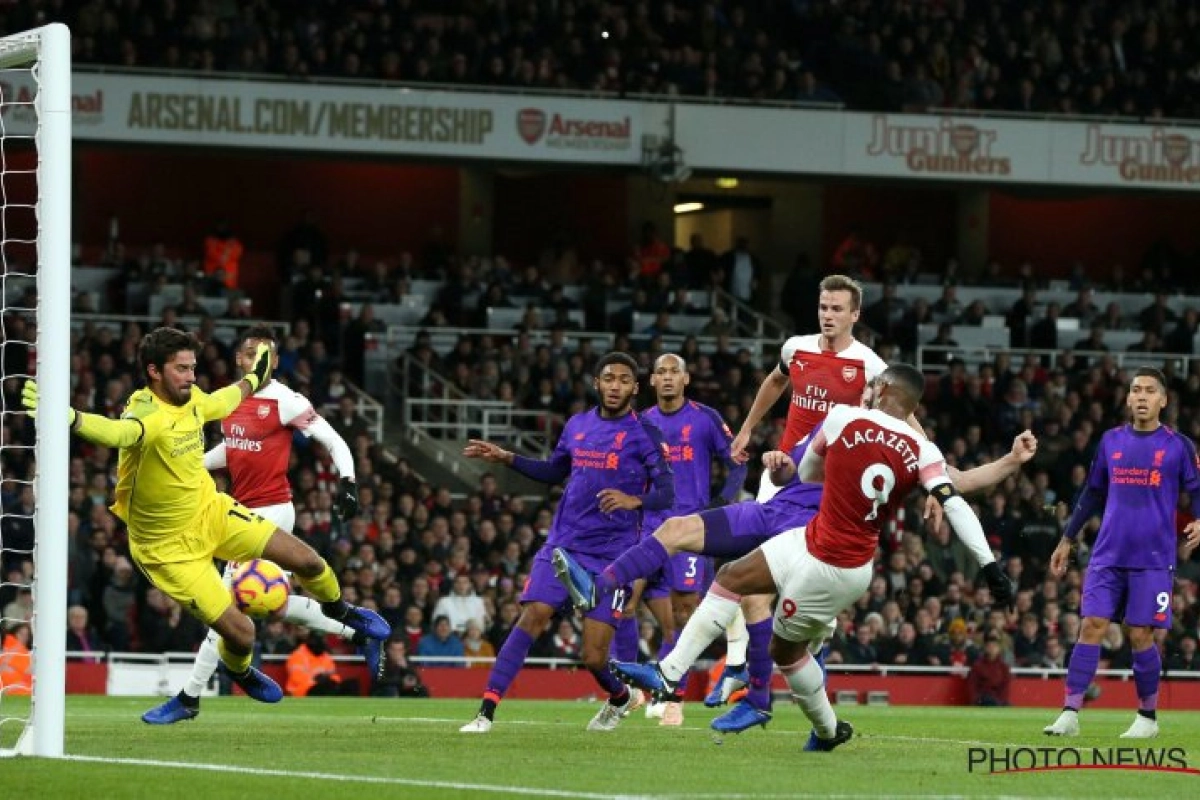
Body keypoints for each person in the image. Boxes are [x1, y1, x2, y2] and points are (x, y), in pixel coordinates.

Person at [607, 364, 1014, 748]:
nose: (868, 389)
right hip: (826, 546)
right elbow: (954, 502)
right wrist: (990, 566)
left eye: (874, 386)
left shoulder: (842, 418)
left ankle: (827, 728)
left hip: (832, 565)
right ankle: (667, 673)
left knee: (787, 652)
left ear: (884, 389)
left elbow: (806, 473)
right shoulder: (923, 451)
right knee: (732, 576)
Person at [22, 328, 389, 713]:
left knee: (311, 562)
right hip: (168, 549)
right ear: (154, 372)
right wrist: (71, 417)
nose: (191, 376)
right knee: (241, 632)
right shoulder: (147, 414)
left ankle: (342, 614)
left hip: (213, 512)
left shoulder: (203, 399)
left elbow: (222, 400)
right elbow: (118, 433)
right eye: (181, 369)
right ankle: (239, 675)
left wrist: (252, 379)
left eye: (193, 368)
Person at [141, 325, 380, 725]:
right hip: (235, 511)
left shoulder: (285, 400)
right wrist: (189, 464)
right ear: (240, 359)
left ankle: (189, 697)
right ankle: (360, 632)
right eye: (253, 354)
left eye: (267, 355)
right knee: (273, 602)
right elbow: (231, 451)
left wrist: (348, 481)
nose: (259, 361)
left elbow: (333, 439)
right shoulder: (230, 401)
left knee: (225, 606)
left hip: (270, 512)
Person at [458, 352, 674, 733]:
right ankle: (485, 712)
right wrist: (508, 458)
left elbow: (667, 492)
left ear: (635, 388)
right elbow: (555, 471)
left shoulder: (646, 434)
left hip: (614, 555)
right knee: (533, 615)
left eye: (624, 380)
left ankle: (620, 697)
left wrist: (633, 500)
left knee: (592, 657)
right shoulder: (577, 425)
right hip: (564, 544)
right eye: (609, 378)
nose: (615, 386)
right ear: (597, 383)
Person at [1043, 368, 1200, 739]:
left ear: (1163, 400)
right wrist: (1067, 538)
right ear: (1128, 399)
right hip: (1107, 553)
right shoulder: (1110, 441)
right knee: (1091, 625)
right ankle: (1070, 711)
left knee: (1140, 634)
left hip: (1154, 557)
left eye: (1149, 391)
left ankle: (1147, 717)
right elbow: (1093, 493)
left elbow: (1197, 489)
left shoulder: (1179, 446)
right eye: (1135, 390)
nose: (1142, 396)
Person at [611, 353, 746, 726]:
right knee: (622, 603)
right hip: (646, 529)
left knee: (683, 617)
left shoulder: (706, 419)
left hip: (689, 531)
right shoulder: (639, 424)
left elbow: (738, 464)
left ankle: (673, 697)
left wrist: (718, 505)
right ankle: (630, 692)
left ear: (686, 379)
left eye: (675, 372)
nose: (668, 378)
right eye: (661, 373)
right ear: (651, 381)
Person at [968, 633, 1012, 706]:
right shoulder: (978, 666)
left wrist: (1001, 701)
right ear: (985, 648)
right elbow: (972, 686)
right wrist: (975, 700)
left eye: (994, 646)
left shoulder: (1004, 667)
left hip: (998, 700)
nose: (992, 649)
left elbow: (1005, 688)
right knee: (989, 700)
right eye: (989, 646)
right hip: (983, 700)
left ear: (999, 648)